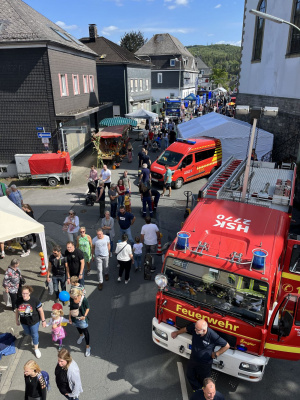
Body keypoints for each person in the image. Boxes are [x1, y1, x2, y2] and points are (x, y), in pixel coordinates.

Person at [171, 319, 229, 391]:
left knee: (204, 380)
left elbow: (226, 346)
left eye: (197, 330)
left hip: (205, 364)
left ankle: (203, 392)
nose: (195, 330)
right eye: (195, 328)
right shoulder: (195, 327)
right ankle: (197, 389)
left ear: (204, 330)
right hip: (193, 359)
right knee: (189, 375)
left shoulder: (212, 335)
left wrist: (216, 354)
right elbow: (186, 329)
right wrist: (177, 332)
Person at [16, 286, 47, 359]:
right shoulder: (18, 301)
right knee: (27, 333)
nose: (24, 295)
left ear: (29, 293)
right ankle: (33, 338)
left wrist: (43, 321)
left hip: (34, 321)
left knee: (34, 334)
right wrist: (17, 320)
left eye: (26, 293)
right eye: (23, 293)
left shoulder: (35, 300)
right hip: (24, 322)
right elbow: (17, 311)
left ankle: (36, 348)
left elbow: (41, 311)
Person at [69, 288, 91, 357]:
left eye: (75, 298)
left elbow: (88, 308)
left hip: (82, 319)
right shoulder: (72, 298)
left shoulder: (84, 299)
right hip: (74, 318)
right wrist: (69, 317)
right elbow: (71, 308)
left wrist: (85, 316)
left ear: (78, 296)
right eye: (72, 298)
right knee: (77, 327)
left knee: (86, 331)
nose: (73, 300)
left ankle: (88, 347)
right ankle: (81, 336)